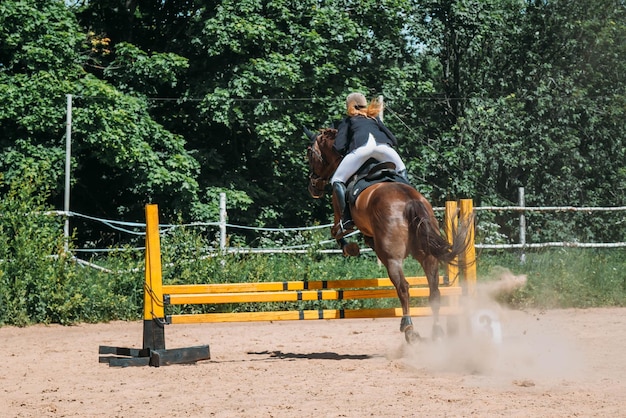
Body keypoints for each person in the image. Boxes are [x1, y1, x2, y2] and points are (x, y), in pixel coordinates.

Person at [330, 92, 408, 238]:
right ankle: (412, 203)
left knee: (336, 180)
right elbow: (393, 139)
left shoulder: (348, 120)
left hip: (362, 149)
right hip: (383, 148)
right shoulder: (374, 118)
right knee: (402, 169)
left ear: (349, 106)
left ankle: (347, 219)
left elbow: (339, 147)